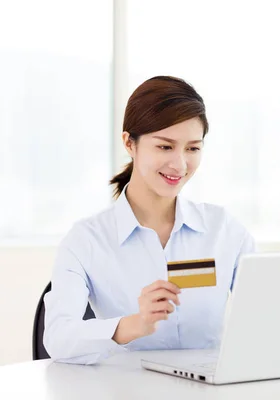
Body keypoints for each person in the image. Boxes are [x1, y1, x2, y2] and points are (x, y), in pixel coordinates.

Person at [43, 76, 256, 365]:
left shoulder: (225, 231)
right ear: (129, 143)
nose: (180, 165)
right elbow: (58, 337)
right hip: (128, 392)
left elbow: (266, 317)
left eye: (193, 148)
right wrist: (133, 325)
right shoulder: (86, 240)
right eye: (165, 147)